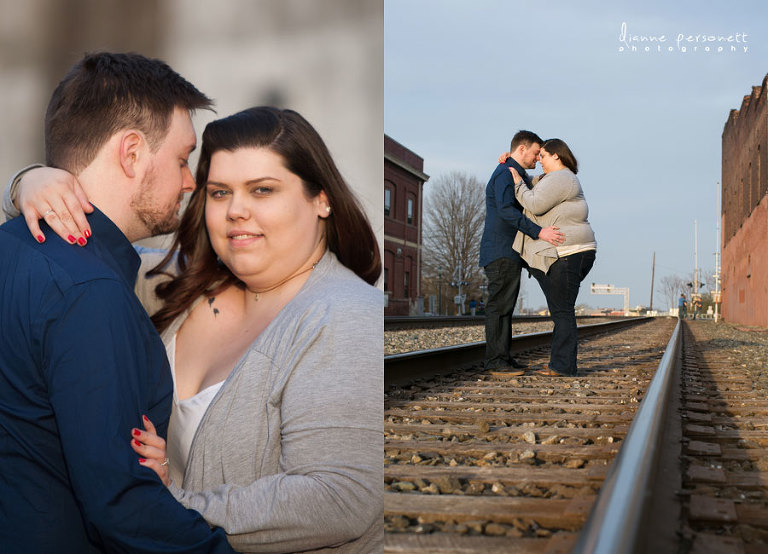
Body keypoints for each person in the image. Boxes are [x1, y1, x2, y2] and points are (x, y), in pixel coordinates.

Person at [7, 107, 384, 552]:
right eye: (220, 193)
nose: (236, 211)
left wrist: (167, 505)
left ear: (321, 199)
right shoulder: (176, 285)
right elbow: (81, 260)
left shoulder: (347, 315)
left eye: (262, 190)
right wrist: (29, 183)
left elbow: (339, 498)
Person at [0, 52, 233, 553]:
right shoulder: (92, 292)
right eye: (182, 158)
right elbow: (122, 507)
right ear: (131, 153)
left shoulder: (12, 248)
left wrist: (21, 183)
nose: (190, 181)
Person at [507, 138, 597, 377]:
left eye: (544, 156)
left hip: (568, 253)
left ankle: (563, 366)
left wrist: (517, 184)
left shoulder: (561, 178)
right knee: (561, 308)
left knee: (562, 311)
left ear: (556, 155)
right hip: (575, 251)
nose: (540, 161)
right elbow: (535, 184)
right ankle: (562, 363)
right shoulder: (557, 179)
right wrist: (513, 164)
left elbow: (534, 203)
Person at [479, 130, 565, 376]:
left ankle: (503, 357)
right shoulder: (505, 173)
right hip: (501, 251)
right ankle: (496, 362)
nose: (538, 158)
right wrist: (539, 232)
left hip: (508, 251)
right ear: (522, 149)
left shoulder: (515, 173)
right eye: (536, 153)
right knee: (499, 307)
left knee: (505, 307)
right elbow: (506, 210)